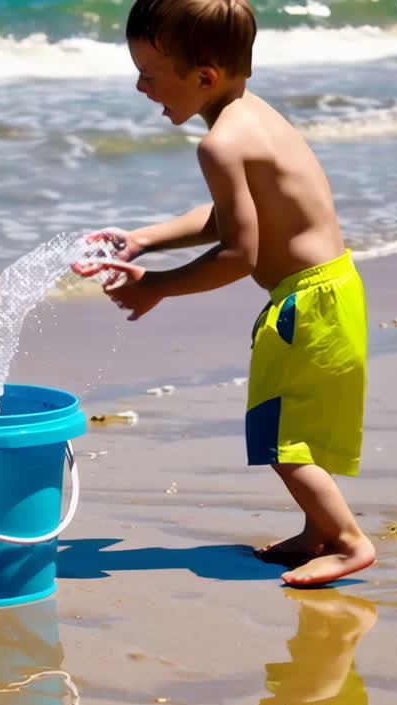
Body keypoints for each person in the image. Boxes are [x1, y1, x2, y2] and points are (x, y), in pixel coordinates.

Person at [72, 0, 375, 585]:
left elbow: (241, 253)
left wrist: (154, 288)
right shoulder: (252, 116)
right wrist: (144, 240)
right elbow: (226, 216)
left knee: (283, 442)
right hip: (335, 290)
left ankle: (347, 540)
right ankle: (317, 532)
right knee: (299, 427)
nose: (140, 87)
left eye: (150, 75)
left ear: (204, 76)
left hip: (304, 305)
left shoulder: (219, 145)